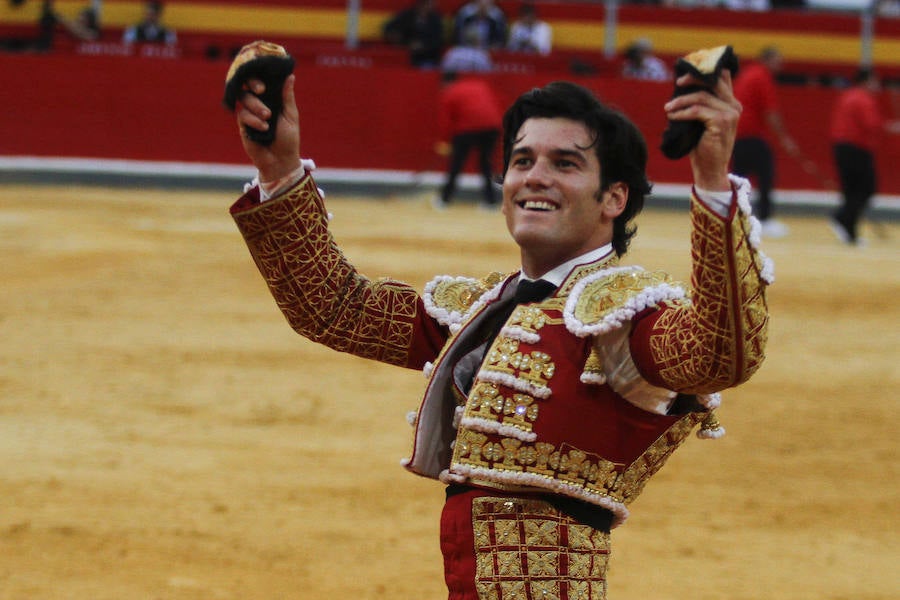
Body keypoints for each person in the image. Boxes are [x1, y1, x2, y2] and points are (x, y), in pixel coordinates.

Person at [227, 41, 772, 599]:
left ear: (614, 197)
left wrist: (711, 180)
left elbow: (720, 352)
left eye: (565, 163)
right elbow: (335, 308)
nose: (534, 177)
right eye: (522, 160)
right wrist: (278, 168)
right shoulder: (484, 309)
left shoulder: (621, 318)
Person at [731, 46, 802, 238]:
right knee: (765, 174)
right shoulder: (762, 77)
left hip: (738, 133)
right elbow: (770, 112)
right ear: (768, 60)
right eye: (778, 60)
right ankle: (765, 218)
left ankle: (732, 217)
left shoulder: (749, 74)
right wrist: (784, 138)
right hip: (752, 134)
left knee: (739, 178)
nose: (781, 65)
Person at [828, 68, 900, 245]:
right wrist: (892, 127)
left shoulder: (848, 96)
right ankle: (842, 217)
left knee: (851, 190)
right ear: (866, 81)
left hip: (841, 147)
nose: (877, 85)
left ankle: (850, 232)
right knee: (866, 188)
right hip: (857, 149)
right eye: (874, 81)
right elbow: (871, 124)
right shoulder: (864, 99)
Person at [433, 70, 503, 210]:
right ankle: (491, 202)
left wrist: (444, 141)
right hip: (492, 127)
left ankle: (444, 200)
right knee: (486, 165)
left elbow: (445, 121)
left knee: (456, 165)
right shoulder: (479, 86)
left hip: (467, 128)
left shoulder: (450, 91)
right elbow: (493, 105)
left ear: (445, 83)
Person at [382, 0, 446, 69]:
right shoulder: (407, 15)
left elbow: (437, 41)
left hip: (428, 57)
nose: (430, 6)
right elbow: (389, 28)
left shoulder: (435, 19)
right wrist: (394, 35)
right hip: (407, 54)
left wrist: (422, 45)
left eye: (432, 4)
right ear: (420, 4)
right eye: (428, 4)